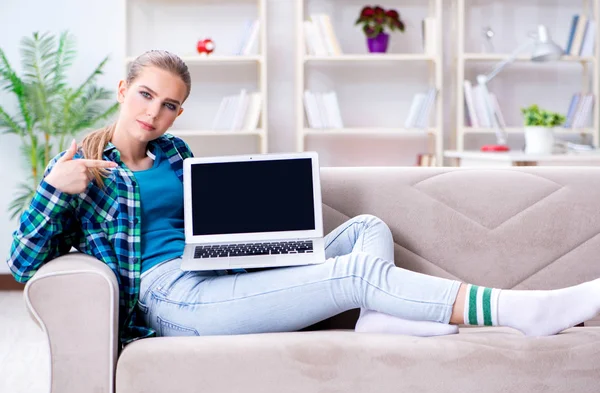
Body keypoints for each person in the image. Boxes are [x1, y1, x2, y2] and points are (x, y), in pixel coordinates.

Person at [7, 50, 600, 347]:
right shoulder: (82, 169)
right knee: (358, 272)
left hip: (214, 265)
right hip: (172, 298)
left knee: (365, 227)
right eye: (144, 96)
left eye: (169, 105)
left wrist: (255, 238)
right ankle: (520, 311)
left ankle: (377, 321)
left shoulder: (176, 154)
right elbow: (26, 263)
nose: (154, 113)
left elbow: (212, 224)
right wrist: (53, 194)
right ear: (122, 89)